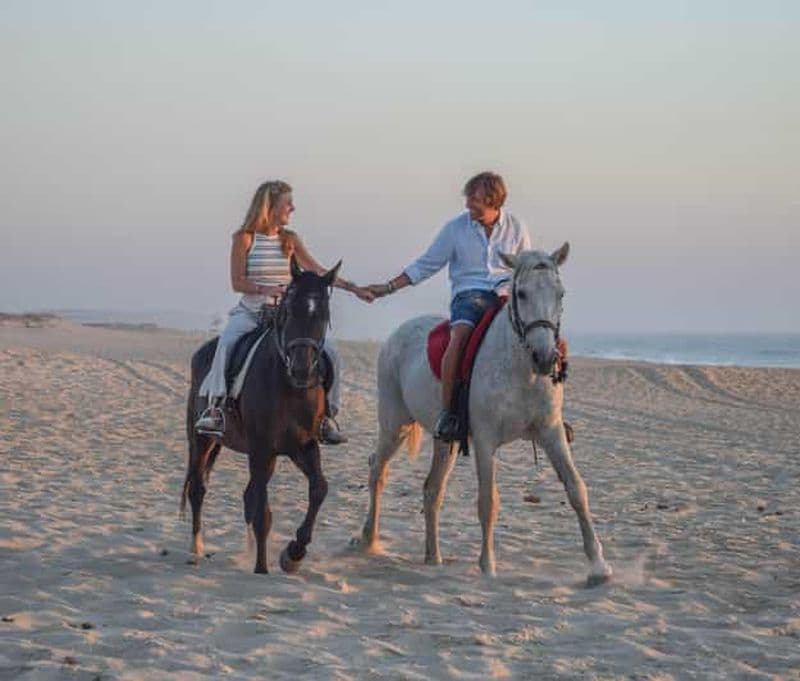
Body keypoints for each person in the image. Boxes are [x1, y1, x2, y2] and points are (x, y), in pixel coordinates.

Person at [195, 180, 375, 443]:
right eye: (287, 203)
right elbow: (237, 282)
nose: (292, 208)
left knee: (332, 353)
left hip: (285, 318)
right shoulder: (244, 238)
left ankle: (327, 417)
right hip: (251, 313)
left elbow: (318, 271)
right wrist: (267, 289)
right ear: (270, 206)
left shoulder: (289, 240)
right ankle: (216, 409)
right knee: (226, 345)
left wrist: (353, 288)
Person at [367, 172, 531, 442]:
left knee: (542, 334)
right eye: (468, 197)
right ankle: (447, 414)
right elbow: (425, 265)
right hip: (469, 295)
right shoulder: (456, 228)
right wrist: (387, 288)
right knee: (460, 335)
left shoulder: (516, 227)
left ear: (492, 200)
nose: (468, 204)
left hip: (505, 294)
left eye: (474, 198)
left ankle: (550, 412)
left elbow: (524, 267)